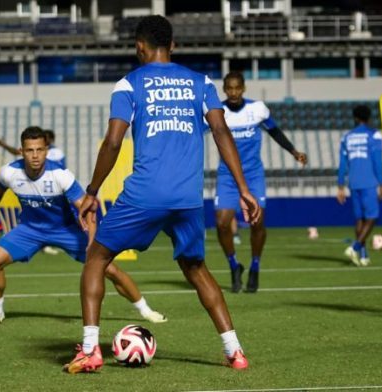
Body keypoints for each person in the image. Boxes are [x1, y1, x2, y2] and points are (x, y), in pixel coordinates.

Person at [64, 15, 260, 374]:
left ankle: (91, 349)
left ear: (139, 47)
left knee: (96, 258)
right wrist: (244, 189)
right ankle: (235, 352)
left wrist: (92, 191)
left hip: (144, 195)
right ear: (173, 46)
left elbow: (112, 141)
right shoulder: (201, 83)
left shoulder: (128, 85)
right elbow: (220, 132)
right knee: (196, 269)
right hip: (187, 198)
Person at [0, 127, 167, 327]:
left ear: (46, 150)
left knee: (108, 269)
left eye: (39, 150)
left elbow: (89, 210)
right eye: (30, 150)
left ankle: (145, 310)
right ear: (21, 152)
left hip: (66, 230)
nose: (35, 155)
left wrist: (92, 244)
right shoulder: (9, 173)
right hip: (30, 229)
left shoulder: (60, 175)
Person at [215, 71, 308, 293]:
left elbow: (274, 131)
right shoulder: (217, 112)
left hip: (253, 174)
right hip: (227, 175)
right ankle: (233, 265)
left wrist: (294, 151)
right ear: (224, 90)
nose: (234, 92)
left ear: (244, 88)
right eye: (229, 88)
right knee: (222, 223)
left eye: (237, 88)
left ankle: (255, 266)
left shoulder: (257, 109)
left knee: (257, 223)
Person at [337, 105, 382, 267]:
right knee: (372, 217)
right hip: (369, 181)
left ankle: (363, 256)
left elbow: (342, 164)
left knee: (360, 219)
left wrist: (340, 186)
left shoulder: (347, 137)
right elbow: (378, 162)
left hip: (354, 182)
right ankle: (355, 247)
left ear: (355, 118)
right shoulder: (375, 135)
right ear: (369, 118)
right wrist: (381, 183)